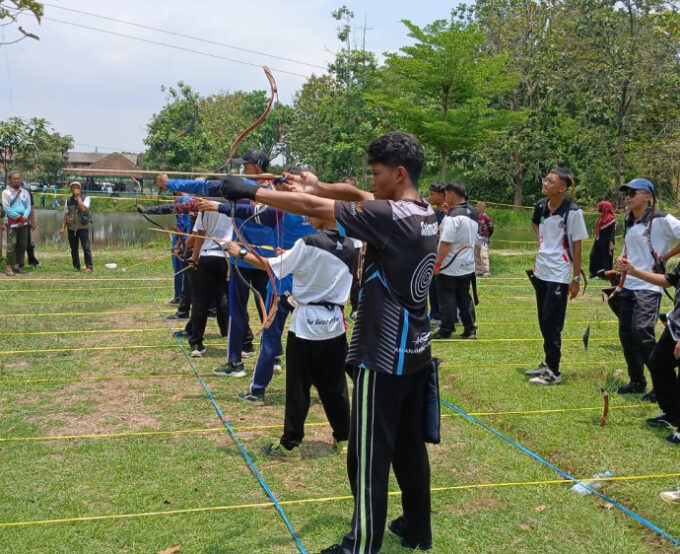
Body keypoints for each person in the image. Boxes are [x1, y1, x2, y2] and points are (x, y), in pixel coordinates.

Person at [220, 131, 436, 553]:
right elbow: (348, 194)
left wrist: (253, 191)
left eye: (377, 174)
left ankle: (362, 545)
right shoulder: (422, 211)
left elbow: (313, 208)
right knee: (409, 448)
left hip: (384, 354)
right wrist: (318, 185)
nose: (370, 182)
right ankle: (415, 528)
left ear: (399, 173)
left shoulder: (390, 217)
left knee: (367, 456)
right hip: (415, 351)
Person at [225, 216, 354, 456]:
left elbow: (270, 264)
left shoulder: (308, 242)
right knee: (335, 385)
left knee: (298, 386)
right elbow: (323, 265)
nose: (307, 216)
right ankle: (344, 437)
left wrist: (240, 252)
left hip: (307, 327)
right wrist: (293, 255)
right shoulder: (350, 243)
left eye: (310, 211)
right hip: (335, 325)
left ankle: (290, 443)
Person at [609, 178, 680, 399]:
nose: (627, 197)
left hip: (649, 285)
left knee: (641, 333)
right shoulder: (629, 219)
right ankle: (637, 380)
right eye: (626, 193)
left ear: (647, 197)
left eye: (632, 193)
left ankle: (662, 384)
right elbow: (630, 246)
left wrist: (667, 256)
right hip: (627, 285)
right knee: (627, 335)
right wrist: (623, 257)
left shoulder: (661, 219)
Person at [524, 168, 588, 386]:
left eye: (550, 181)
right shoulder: (542, 205)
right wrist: (542, 242)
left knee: (552, 321)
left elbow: (578, 246)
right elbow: (535, 222)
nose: (545, 183)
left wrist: (576, 279)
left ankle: (554, 372)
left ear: (562, 188)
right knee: (543, 319)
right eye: (545, 179)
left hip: (559, 273)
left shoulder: (572, 212)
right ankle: (547, 363)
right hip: (541, 270)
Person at [615, 255, 680, 445]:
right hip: (675, 324)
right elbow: (668, 281)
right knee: (658, 363)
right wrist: (633, 271)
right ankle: (673, 414)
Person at [433, 181, 479, 340]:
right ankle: (470, 329)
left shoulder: (452, 217)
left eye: (445, 194)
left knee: (447, 297)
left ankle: (446, 328)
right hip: (467, 263)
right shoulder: (472, 211)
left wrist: (438, 263)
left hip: (450, 263)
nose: (444, 198)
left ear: (452, 194)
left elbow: (445, 242)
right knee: (464, 297)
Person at [186, 209, 232, 357]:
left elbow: (200, 233)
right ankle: (233, 338)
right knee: (224, 298)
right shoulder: (234, 202)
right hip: (227, 257)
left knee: (201, 301)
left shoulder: (206, 207)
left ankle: (196, 344)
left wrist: (194, 256)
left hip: (208, 256)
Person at [2, 171, 32, 276]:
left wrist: (24, 218)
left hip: (24, 221)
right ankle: (8, 268)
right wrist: (19, 218)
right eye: (14, 178)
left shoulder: (25, 192)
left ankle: (17, 267)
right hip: (12, 221)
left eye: (18, 178)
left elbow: (28, 206)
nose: (17, 180)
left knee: (22, 244)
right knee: (12, 244)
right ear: (10, 180)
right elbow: (6, 208)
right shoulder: (6, 192)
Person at [59, 182, 93, 272]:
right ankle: (76, 266)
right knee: (73, 248)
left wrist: (78, 197)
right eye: (73, 187)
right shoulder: (68, 200)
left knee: (86, 247)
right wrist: (63, 227)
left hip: (83, 227)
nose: (75, 189)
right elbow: (66, 214)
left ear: (80, 189)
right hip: (71, 228)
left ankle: (89, 267)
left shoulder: (86, 198)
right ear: (71, 189)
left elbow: (84, 209)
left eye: (77, 187)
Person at [427, 182, 446, 324]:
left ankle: (443, 314)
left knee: (442, 286)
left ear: (441, 196)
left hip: (444, 256)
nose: (430, 197)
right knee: (431, 286)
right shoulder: (431, 212)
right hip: (431, 254)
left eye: (432, 194)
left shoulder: (449, 213)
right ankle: (434, 313)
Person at [588, 200, 617, 278]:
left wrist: (611, 243)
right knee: (593, 255)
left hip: (607, 242)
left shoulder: (611, 218)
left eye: (600, 208)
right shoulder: (601, 217)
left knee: (606, 259)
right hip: (599, 241)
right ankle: (593, 273)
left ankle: (606, 275)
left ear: (605, 208)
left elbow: (612, 232)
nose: (599, 209)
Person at [474, 201, 494, 277]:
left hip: (484, 239)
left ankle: (486, 271)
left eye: (478, 207)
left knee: (484, 255)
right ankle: (478, 270)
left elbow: (491, 228)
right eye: (476, 206)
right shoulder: (475, 216)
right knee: (476, 255)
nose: (476, 208)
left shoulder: (487, 218)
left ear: (482, 208)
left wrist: (487, 236)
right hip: (476, 238)